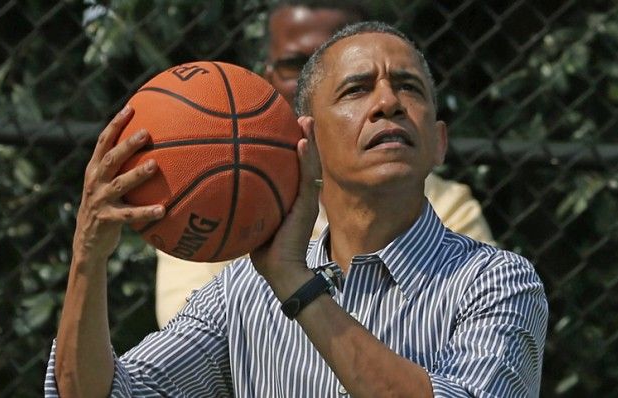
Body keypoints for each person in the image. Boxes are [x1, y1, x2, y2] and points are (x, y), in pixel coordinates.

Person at [45, 21, 547, 397]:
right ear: (304, 140)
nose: (388, 102)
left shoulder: (496, 281)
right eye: (356, 89)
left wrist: (295, 283)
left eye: (409, 87)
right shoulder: (241, 293)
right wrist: (89, 252)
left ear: (439, 145)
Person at [155, 0, 495, 329]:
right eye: (295, 65)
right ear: (266, 80)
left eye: (346, 76)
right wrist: (97, 251)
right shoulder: (209, 192)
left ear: (439, 141)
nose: (310, 83)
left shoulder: (445, 207)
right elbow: (191, 342)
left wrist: (293, 286)